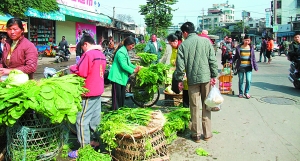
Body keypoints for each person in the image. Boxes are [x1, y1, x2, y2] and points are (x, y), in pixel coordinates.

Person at [174, 22, 218, 143]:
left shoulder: (183, 45)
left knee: (194, 106)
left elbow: (180, 65)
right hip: (205, 78)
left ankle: (196, 135)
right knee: (206, 105)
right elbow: (212, 60)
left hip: (192, 80)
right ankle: (207, 134)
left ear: (185, 33)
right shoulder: (205, 42)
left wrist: (179, 79)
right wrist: (214, 75)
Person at [68, 34, 106, 158]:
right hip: (98, 90)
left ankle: (84, 149)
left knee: (81, 120)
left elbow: (82, 72)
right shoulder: (101, 54)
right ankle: (98, 142)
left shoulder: (88, 54)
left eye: (82, 47)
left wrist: (72, 68)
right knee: (95, 121)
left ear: (85, 44)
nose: (82, 49)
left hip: (88, 92)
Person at [108, 37, 141, 110]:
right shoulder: (121, 52)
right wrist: (134, 70)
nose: (132, 47)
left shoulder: (125, 51)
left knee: (121, 97)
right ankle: (115, 112)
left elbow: (128, 63)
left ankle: (120, 110)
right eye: (132, 45)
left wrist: (136, 67)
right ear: (128, 44)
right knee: (116, 98)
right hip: (116, 77)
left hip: (121, 77)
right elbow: (124, 65)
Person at [232, 35, 258, 99]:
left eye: (248, 40)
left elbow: (253, 58)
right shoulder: (239, 47)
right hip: (240, 67)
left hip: (248, 67)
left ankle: (246, 92)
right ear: (243, 40)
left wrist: (255, 66)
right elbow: (235, 56)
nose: (247, 41)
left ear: (250, 41)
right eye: (246, 40)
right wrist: (231, 61)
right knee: (241, 80)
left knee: (248, 80)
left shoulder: (251, 47)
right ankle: (240, 93)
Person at [167, 33, 189, 108]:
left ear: (176, 41)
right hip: (180, 72)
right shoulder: (174, 48)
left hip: (186, 72)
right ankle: (186, 107)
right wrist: (174, 62)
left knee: (187, 91)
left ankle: (187, 108)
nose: (170, 45)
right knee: (184, 91)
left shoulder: (183, 46)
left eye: (171, 43)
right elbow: (172, 59)